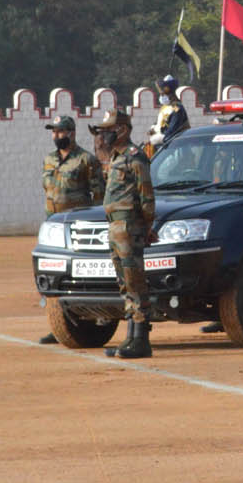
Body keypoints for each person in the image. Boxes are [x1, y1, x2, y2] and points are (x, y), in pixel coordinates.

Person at [91, 106, 157, 360]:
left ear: (122, 130)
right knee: (124, 282)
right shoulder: (116, 158)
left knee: (135, 280)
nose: (104, 135)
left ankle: (141, 340)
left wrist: (147, 227)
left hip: (130, 226)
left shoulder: (134, 157)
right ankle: (130, 336)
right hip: (116, 226)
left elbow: (146, 196)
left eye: (108, 130)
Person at [40, 114, 105, 344]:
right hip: (53, 226)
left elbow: (99, 196)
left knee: (78, 277)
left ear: (71, 133)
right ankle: (59, 325)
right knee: (53, 276)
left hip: (77, 228)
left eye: (60, 131)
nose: (56, 135)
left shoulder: (86, 160)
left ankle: (95, 319)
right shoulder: (49, 159)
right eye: (54, 131)